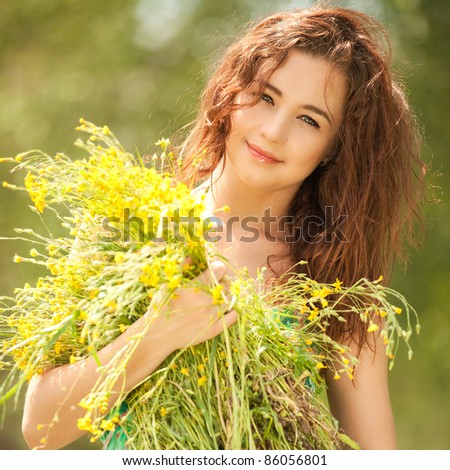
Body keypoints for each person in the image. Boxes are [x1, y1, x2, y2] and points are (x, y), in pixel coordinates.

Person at [21, 5, 425, 450]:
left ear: (333, 149)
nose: (273, 131)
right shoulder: (127, 226)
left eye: (309, 120)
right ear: (231, 94)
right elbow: (40, 429)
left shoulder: (339, 283)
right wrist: (157, 334)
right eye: (266, 97)